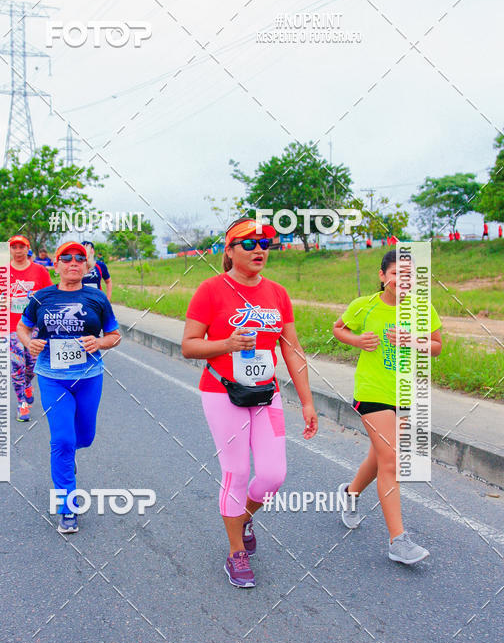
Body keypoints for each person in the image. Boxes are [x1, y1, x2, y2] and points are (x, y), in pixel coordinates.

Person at [182, 217, 318, 588]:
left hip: (266, 395)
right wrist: (227, 344)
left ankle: (242, 516)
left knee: (273, 475)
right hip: (222, 392)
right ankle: (235, 551)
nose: (259, 249)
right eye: (249, 243)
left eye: (265, 244)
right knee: (237, 472)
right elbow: (189, 345)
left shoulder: (277, 293)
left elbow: (291, 349)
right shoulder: (211, 290)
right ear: (229, 251)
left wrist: (306, 401)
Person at [332, 249, 442, 564]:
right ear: (383, 276)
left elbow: (436, 347)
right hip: (372, 391)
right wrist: (357, 341)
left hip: (406, 393)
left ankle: (350, 494)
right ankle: (398, 541)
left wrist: (412, 340)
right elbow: (338, 328)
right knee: (392, 460)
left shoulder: (422, 309)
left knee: (381, 458)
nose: (402, 281)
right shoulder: (363, 306)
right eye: (396, 274)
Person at [16, 241, 121, 534]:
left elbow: (115, 335)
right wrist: (29, 342)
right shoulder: (42, 297)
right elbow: (22, 327)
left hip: (89, 376)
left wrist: (99, 342)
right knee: (61, 440)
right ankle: (67, 507)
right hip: (52, 375)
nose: (73, 262)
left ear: (87, 266)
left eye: (79, 258)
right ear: (57, 264)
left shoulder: (97, 297)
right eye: (66, 258)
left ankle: (69, 457)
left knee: (83, 437)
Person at [0, 235, 52, 422]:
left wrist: (38, 297)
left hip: (33, 326)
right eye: (14, 247)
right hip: (10, 325)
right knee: (16, 365)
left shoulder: (39, 270)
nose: (18, 250)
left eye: (21, 247)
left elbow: (50, 293)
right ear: (10, 250)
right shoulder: (2, 271)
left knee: (31, 363)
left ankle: (28, 384)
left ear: (27, 249)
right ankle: (22, 403)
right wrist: (1, 299)